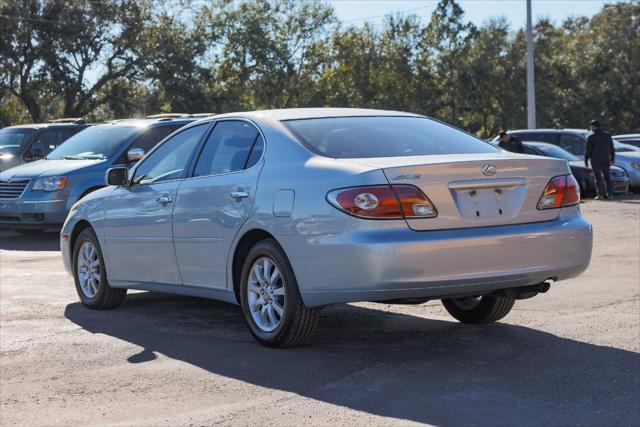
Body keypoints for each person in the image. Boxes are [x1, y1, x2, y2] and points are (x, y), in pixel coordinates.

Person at [585, 119, 615, 200]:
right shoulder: (607, 135)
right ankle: (610, 194)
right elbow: (612, 148)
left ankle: (600, 195)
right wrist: (612, 158)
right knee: (607, 177)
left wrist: (586, 160)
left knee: (598, 178)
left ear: (594, 127)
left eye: (591, 126)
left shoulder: (591, 137)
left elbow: (588, 150)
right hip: (606, 159)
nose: (590, 128)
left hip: (595, 160)